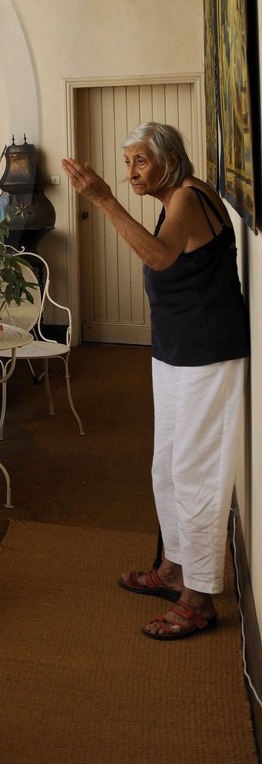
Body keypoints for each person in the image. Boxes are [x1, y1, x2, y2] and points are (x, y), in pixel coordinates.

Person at [62, 122, 248, 640]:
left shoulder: (188, 197)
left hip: (206, 354)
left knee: (195, 472)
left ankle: (200, 598)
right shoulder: (177, 197)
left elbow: (160, 256)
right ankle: (173, 569)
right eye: (127, 164)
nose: (131, 173)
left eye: (140, 161)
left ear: (170, 157)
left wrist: (101, 198)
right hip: (174, 351)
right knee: (166, 463)